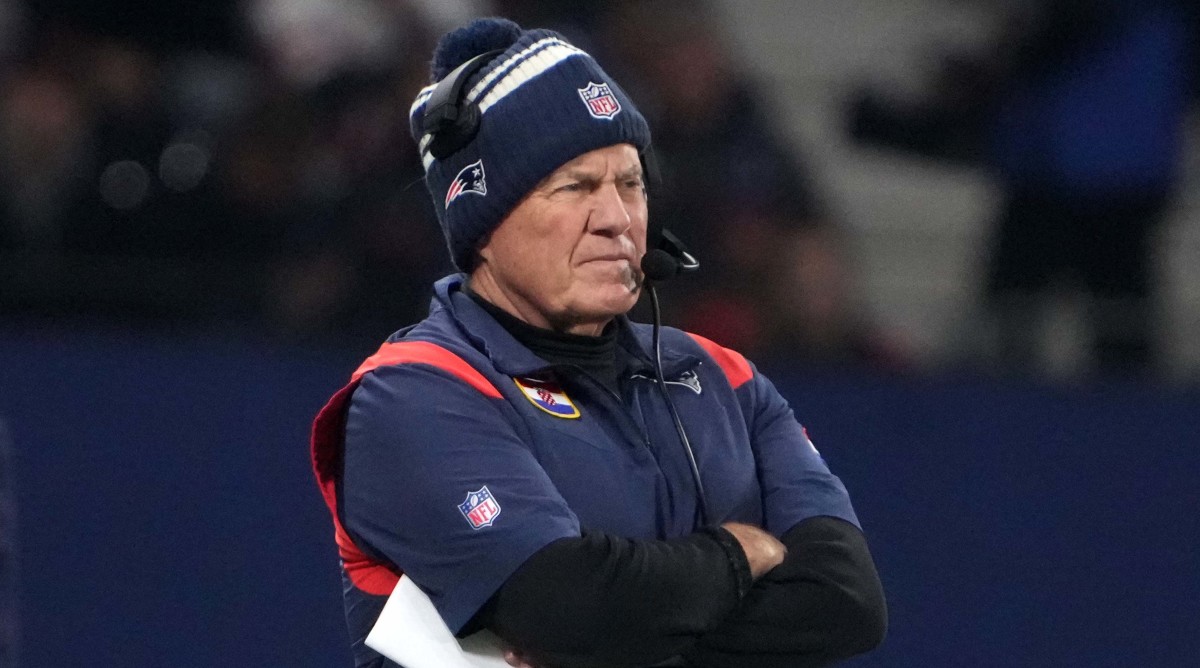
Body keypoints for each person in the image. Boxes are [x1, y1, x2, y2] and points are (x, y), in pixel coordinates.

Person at [311, 18, 886, 668]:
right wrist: (737, 556)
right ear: (485, 220)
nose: (616, 218)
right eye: (577, 186)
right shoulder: (414, 392)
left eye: (630, 183)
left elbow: (847, 601)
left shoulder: (724, 377)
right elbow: (559, 603)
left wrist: (623, 617)